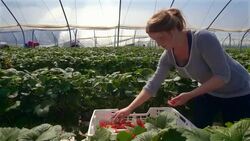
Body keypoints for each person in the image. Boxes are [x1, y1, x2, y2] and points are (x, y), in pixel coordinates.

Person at [113, 8, 250, 128]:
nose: (159, 44)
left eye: (161, 38)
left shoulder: (203, 39)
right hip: (209, 91)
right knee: (197, 130)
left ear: (174, 29)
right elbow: (152, 86)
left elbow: (222, 76)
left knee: (236, 131)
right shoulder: (168, 56)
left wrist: (189, 95)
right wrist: (129, 109)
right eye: (155, 40)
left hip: (239, 91)